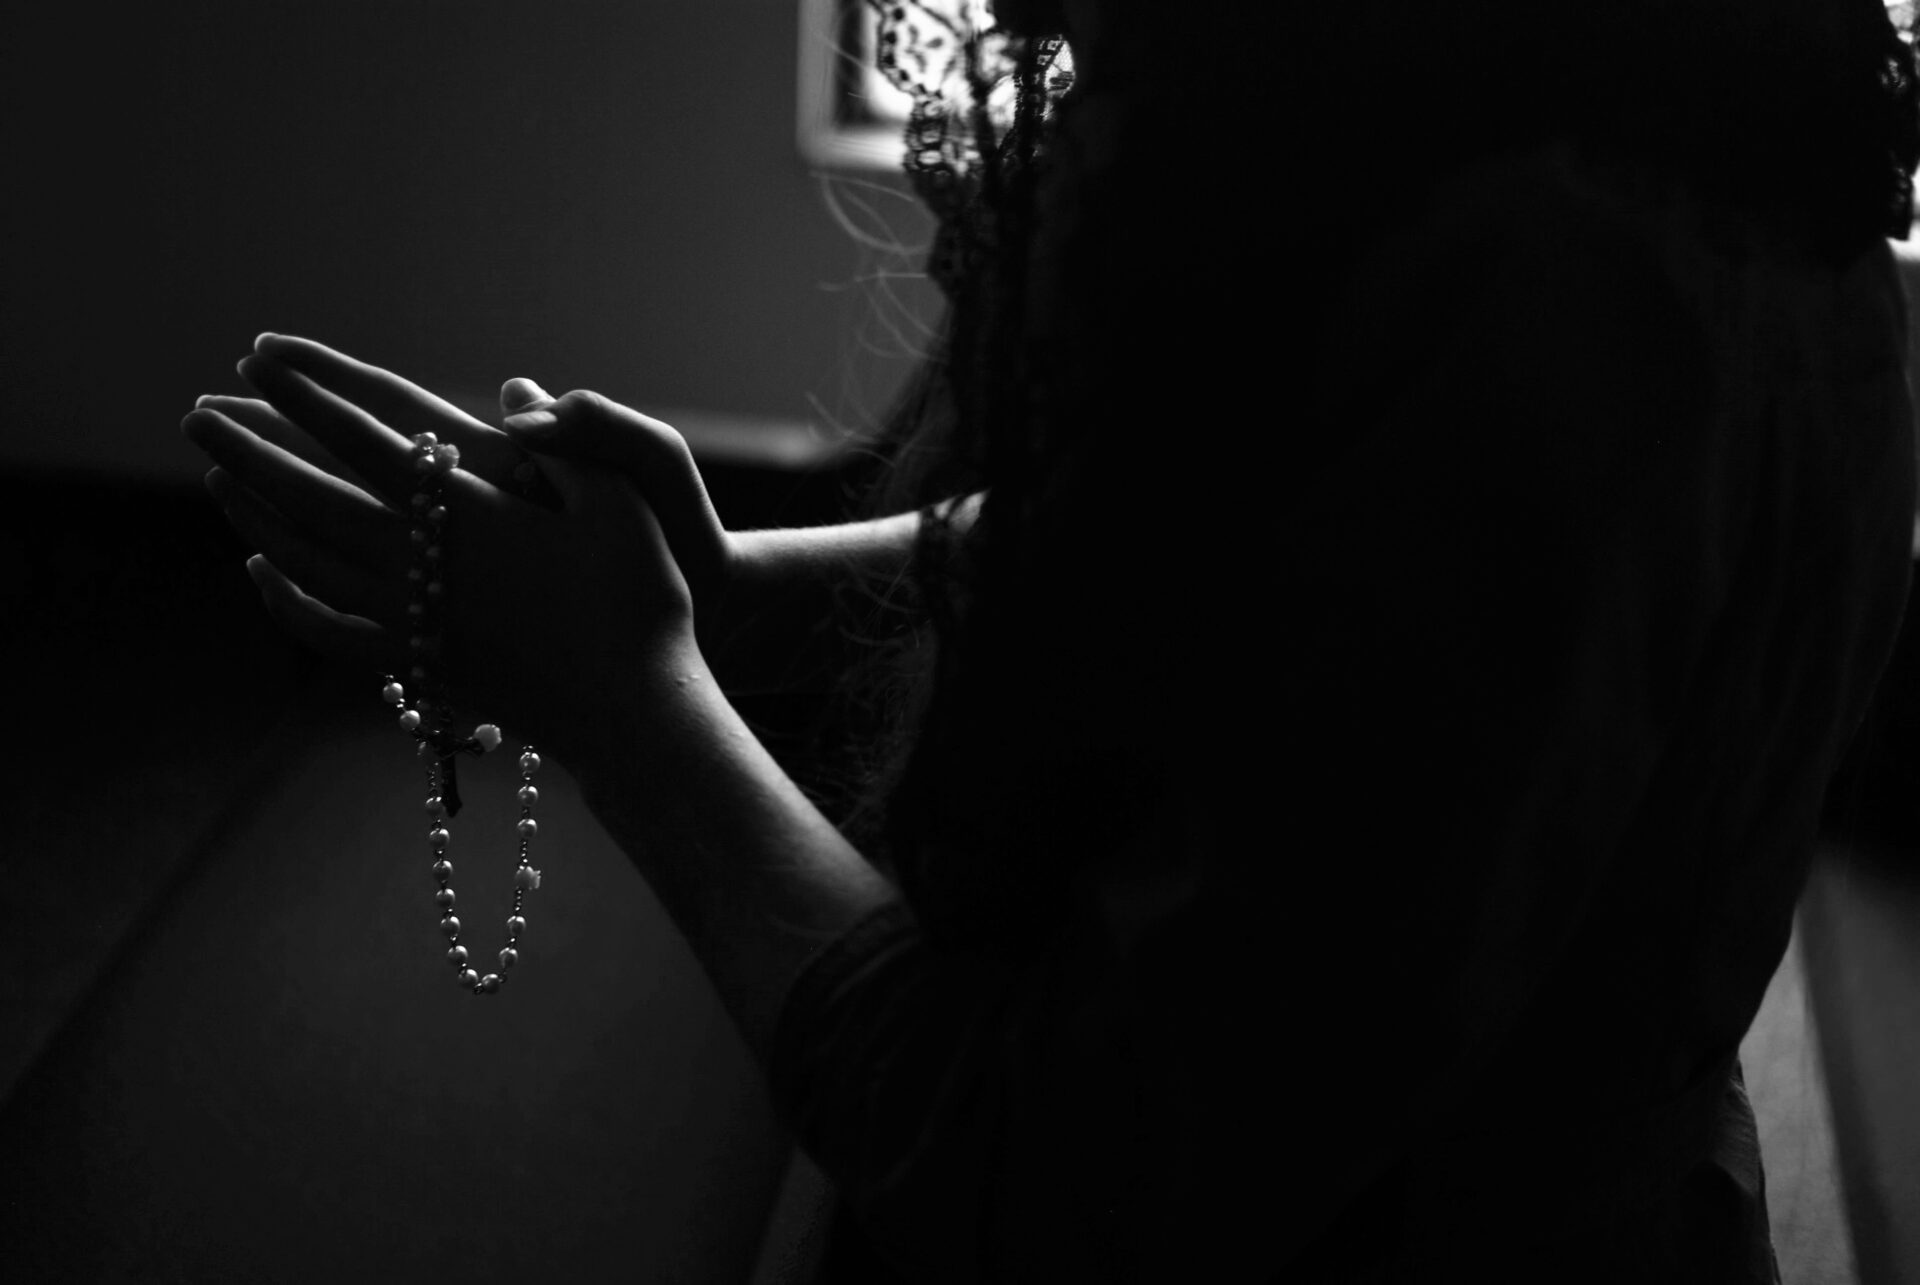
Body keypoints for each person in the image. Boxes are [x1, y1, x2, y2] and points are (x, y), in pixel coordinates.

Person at [181, 2, 1920, 1280]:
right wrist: (735, 587)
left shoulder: (1565, 315)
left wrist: (634, 707)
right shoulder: (1626, 123)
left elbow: (1069, 1165)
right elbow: (1288, 558)